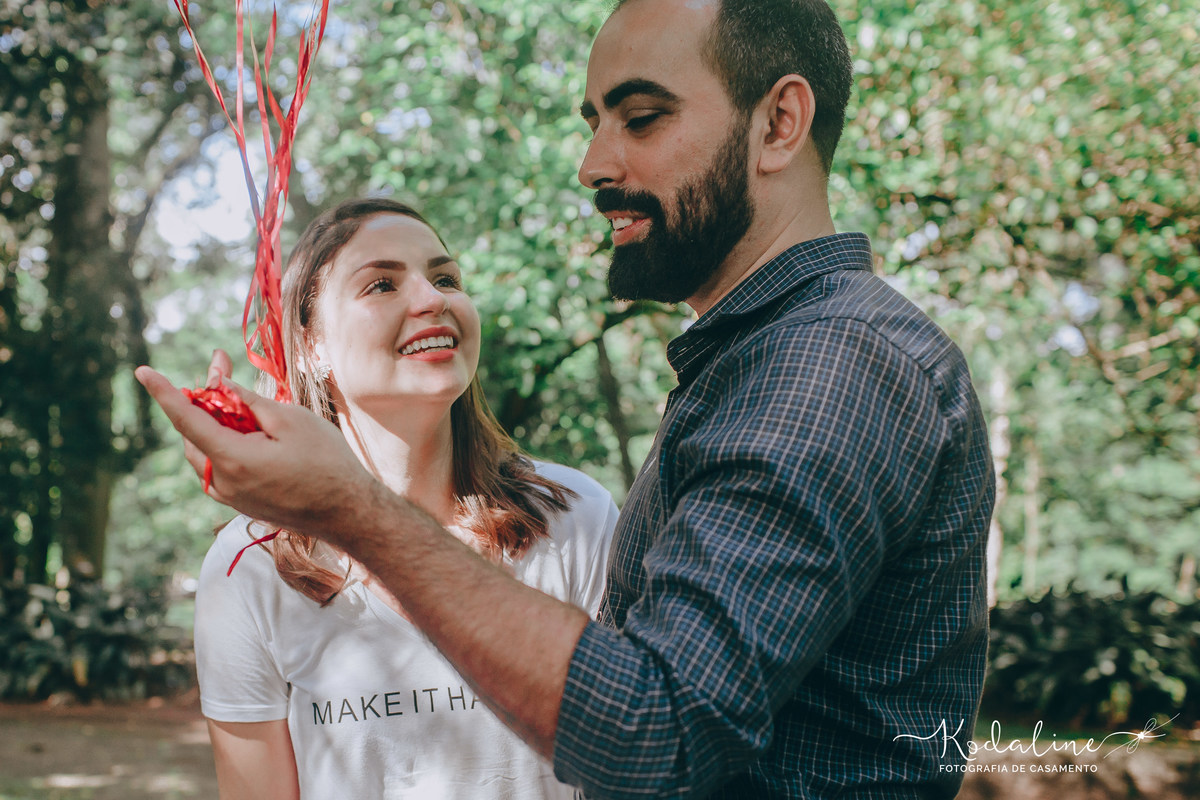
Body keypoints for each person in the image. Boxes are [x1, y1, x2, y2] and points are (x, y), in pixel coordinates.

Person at [138, 0, 996, 797]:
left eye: (643, 116)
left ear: (778, 123)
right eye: (595, 124)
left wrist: (348, 506)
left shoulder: (827, 366)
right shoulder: (755, 365)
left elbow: (654, 730)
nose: (593, 165)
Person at [192, 197, 616, 799]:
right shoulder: (251, 563)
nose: (432, 298)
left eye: (445, 278)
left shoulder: (575, 515)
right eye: (382, 285)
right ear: (311, 345)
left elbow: (627, 758)